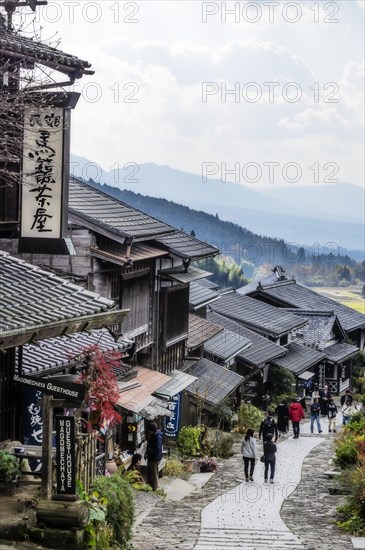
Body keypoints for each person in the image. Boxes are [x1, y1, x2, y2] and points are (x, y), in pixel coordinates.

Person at [144, 421, 163, 491]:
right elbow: (149, 444)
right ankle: (149, 487)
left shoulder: (158, 437)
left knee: (154, 474)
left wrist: (149, 453)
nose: (149, 432)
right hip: (151, 457)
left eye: (150, 430)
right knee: (149, 473)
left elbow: (157, 449)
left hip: (155, 458)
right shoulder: (152, 435)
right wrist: (147, 452)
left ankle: (155, 489)